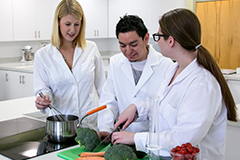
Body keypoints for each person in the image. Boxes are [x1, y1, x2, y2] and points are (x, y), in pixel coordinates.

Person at [113, 8, 237, 159]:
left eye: (158, 36)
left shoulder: (202, 85)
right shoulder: (174, 69)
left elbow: (183, 140)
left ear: (170, 41)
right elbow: (163, 106)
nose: (156, 41)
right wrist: (138, 109)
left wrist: (135, 138)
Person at [97, 15, 173, 139]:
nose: (128, 51)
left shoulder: (166, 65)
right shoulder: (116, 63)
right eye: (122, 45)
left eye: (133, 44)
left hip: (153, 139)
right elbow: (109, 100)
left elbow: (164, 107)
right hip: (124, 137)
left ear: (146, 38)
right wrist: (106, 128)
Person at [33, 0, 105, 130]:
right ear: (58, 23)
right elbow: (42, 90)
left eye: (77, 24)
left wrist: (107, 123)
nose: (73, 30)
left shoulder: (91, 49)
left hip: (91, 123)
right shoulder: (43, 55)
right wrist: (42, 100)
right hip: (62, 126)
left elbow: (102, 88)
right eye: (67, 24)